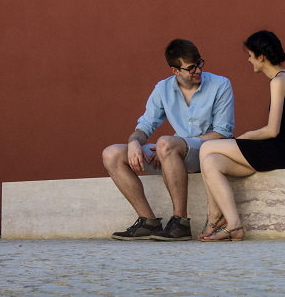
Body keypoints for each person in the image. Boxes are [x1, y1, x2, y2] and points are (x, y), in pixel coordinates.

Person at [99, 39, 236, 241]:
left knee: (165, 143)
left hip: (211, 153)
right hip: (175, 154)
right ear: (175, 71)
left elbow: (222, 133)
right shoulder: (163, 89)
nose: (197, 70)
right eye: (190, 68)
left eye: (199, 63)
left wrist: (174, 145)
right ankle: (148, 221)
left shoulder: (220, 84)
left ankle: (180, 221)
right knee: (111, 154)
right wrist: (134, 143)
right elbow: (145, 125)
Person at [197, 30, 285, 242]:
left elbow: (272, 131)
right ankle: (234, 225)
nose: (248, 60)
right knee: (212, 162)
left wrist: (244, 137)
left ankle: (213, 216)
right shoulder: (281, 79)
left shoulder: (279, 80)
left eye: (250, 55)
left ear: (261, 57)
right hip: (275, 151)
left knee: (207, 147)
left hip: (280, 152)